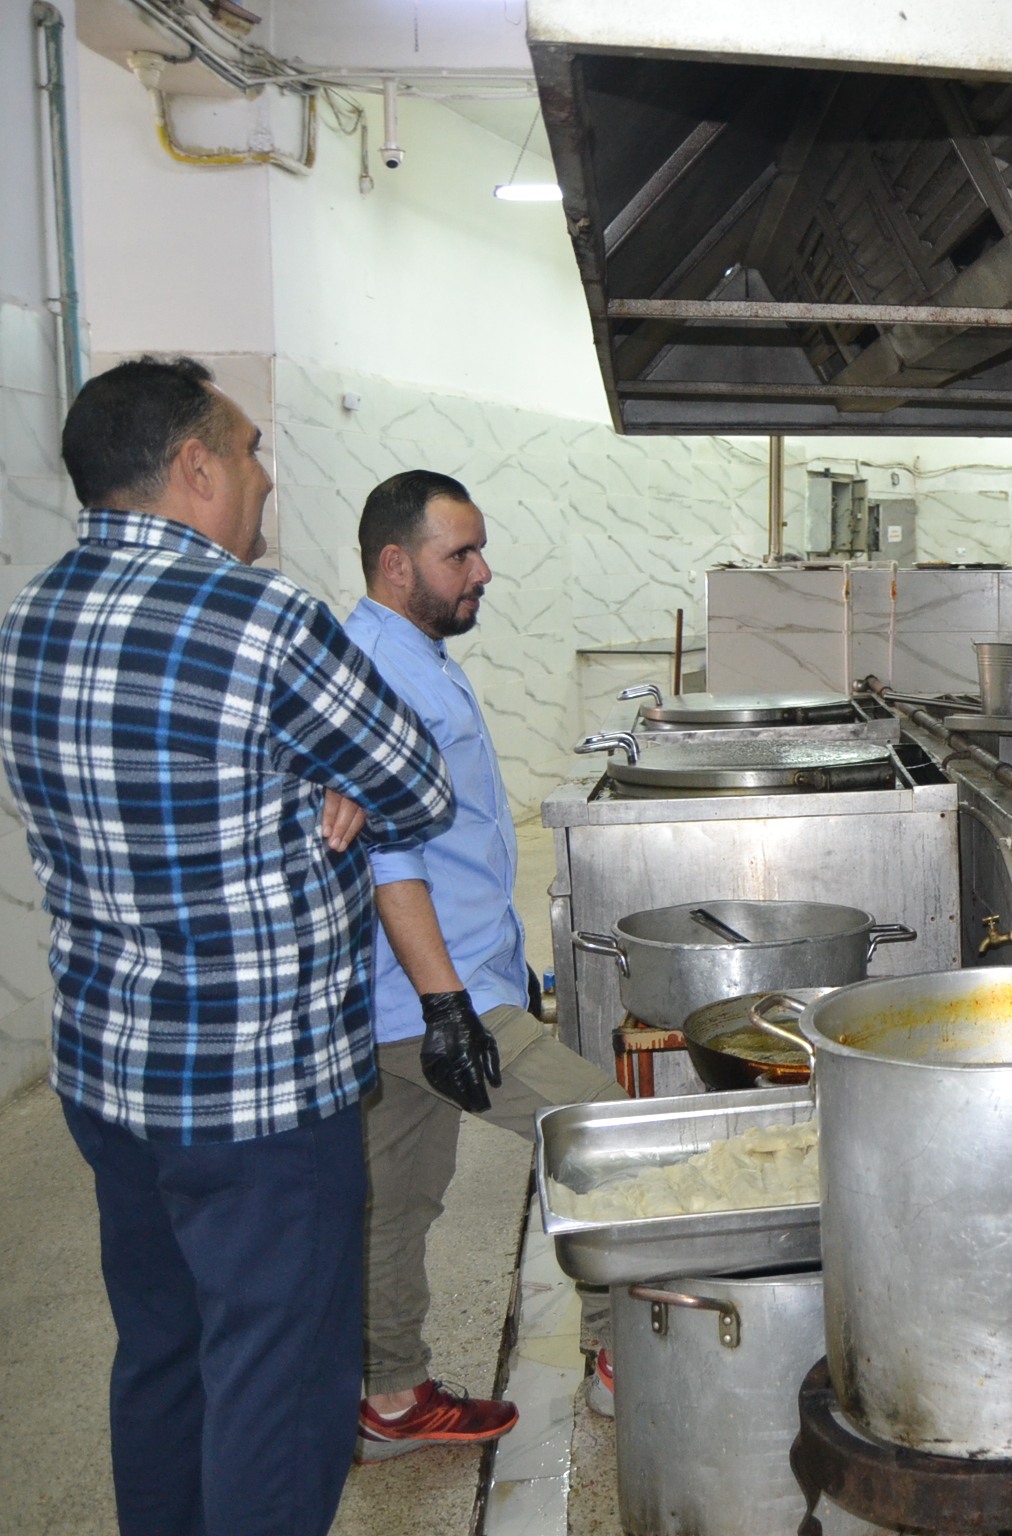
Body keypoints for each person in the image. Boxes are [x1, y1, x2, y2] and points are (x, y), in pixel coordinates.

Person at [0, 358, 453, 1536]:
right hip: (260, 1100)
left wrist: (320, 777)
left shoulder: (29, 620)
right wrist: (335, 778)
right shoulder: (264, 619)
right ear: (194, 468)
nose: (266, 474)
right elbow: (418, 787)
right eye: (249, 450)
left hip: (111, 1081)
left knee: (164, 1353)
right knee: (278, 1383)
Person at [346, 471, 628, 1456]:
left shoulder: (407, 652)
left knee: (396, 1199)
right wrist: (451, 1007)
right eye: (459, 555)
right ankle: (620, 1356)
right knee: (601, 1132)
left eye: (480, 550)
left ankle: (389, 1399)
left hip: (424, 986)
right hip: (432, 989)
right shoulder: (379, 670)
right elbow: (386, 857)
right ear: (397, 563)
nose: (483, 572)